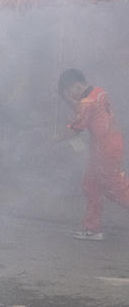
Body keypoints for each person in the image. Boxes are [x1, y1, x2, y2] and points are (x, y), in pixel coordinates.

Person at [58, 68, 129, 241]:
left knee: (115, 189)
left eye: (70, 92)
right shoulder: (98, 92)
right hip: (105, 145)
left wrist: (59, 136)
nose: (71, 96)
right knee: (91, 185)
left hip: (105, 148)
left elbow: (76, 128)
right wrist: (66, 99)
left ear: (77, 86)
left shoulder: (86, 103)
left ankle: (93, 227)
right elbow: (83, 109)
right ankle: (92, 228)